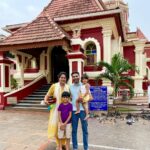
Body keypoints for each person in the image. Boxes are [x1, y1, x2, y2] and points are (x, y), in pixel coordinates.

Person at [44, 72, 70, 149]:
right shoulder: (54, 86)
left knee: (65, 127)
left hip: (66, 110)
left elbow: (71, 98)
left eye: (64, 78)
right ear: (59, 78)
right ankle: (58, 144)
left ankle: (64, 143)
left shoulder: (68, 87)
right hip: (55, 110)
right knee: (56, 128)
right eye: (61, 77)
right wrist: (46, 101)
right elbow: (47, 95)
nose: (63, 79)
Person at [70, 72, 89, 150]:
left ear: (79, 77)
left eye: (76, 76)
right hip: (74, 111)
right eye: (73, 76)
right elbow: (70, 98)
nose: (75, 77)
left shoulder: (84, 85)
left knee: (85, 130)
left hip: (83, 111)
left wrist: (84, 100)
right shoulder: (70, 87)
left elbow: (89, 97)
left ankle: (86, 147)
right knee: (74, 130)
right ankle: (75, 147)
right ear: (72, 78)